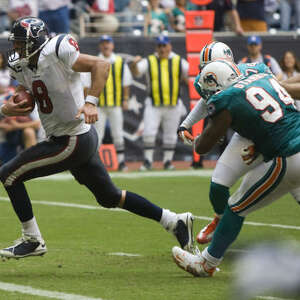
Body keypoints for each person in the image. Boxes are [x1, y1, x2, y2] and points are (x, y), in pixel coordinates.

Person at [0, 17, 196, 259]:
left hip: (71, 138)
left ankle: (32, 239)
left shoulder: (57, 49)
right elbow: (26, 90)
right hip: (75, 137)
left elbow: (101, 65)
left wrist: (91, 102)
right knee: (110, 197)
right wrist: (12, 104)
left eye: (20, 43)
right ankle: (174, 221)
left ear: (35, 41)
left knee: (9, 174)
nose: (16, 48)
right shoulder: (22, 64)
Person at [172, 59, 300, 277]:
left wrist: (194, 140)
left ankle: (206, 263)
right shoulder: (263, 75)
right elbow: (272, 119)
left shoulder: (227, 98)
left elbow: (204, 146)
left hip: (289, 155)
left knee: (236, 207)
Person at [130, 35, 189, 171]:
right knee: (149, 132)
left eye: (164, 46)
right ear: (156, 47)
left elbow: (191, 74)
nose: (162, 49)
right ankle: (148, 161)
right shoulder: (149, 60)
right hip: (154, 103)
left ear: (170, 47)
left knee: (171, 134)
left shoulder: (178, 61)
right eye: (160, 46)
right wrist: (133, 64)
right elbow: (137, 72)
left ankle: (168, 161)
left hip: (173, 103)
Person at [81, 35, 131, 172]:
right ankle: (95, 162)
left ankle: (121, 163)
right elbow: (86, 85)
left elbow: (126, 82)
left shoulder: (119, 62)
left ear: (112, 45)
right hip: (99, 105)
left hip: (115, 104)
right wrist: (88, 103)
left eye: (107, 43)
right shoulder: (94, 62)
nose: (105, 46)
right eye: (103, 43)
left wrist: (125, 99)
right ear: (99, 46)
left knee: (118, 133)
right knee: (98, 134)